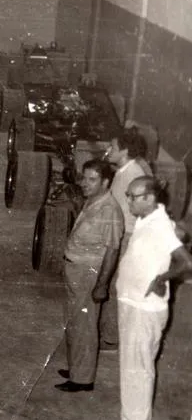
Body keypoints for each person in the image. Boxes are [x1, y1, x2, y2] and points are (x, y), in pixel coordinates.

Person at [104, 176, 192, 420]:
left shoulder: (161, 226)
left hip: (144, 309)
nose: (127, 200)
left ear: (150, 199)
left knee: (138, 369)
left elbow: (186, 262)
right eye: (128, 195)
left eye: (133, 196)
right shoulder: (147, 220)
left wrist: (161, 279)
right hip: (132, 303)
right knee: (131, 367)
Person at [56, 159, 123, 392]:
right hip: (76, 270)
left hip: (89, 274)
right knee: (75, 322)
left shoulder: (109, 210)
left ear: (106, 182)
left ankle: (82, 379)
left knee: (84, 325)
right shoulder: (93, 201)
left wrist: (102, 284)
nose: (85, 183)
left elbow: (112, 250)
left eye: (92, 179)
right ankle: (77, 367)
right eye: (84, 178)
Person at [98, 128, 153, 349]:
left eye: (113, 146)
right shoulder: (123, 171)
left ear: (125, 151)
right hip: (123, 234)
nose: (108, 149)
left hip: (129, 237)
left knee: (117, 288)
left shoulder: (133, 175)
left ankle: (112, 339)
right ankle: (109, 334)